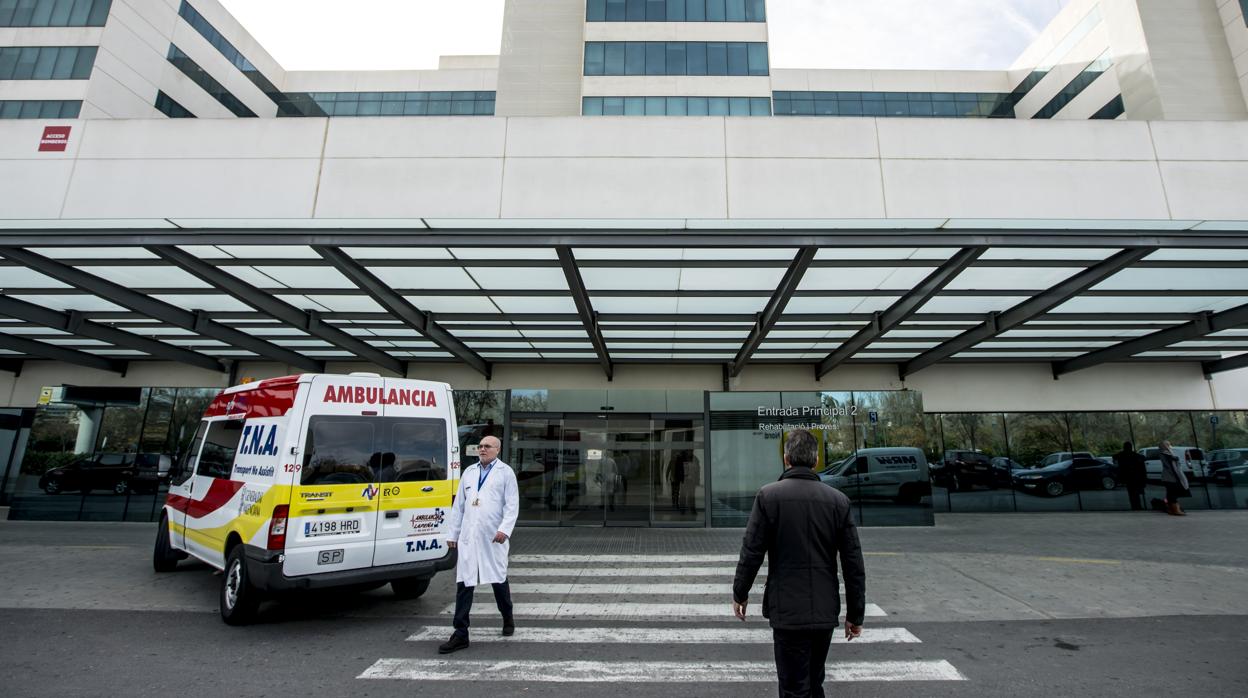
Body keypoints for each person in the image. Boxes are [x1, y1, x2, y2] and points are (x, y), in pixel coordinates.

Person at [732, 429, 866, 698]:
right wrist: (855, 614)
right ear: (816, 461)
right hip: (824, 610)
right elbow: (853, 563)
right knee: (815, 683)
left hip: (787, 612)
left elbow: (752, 551)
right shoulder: (838, 502)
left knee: (793, 688)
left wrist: (740, 593)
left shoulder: (769, 497)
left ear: (786, 459)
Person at [439, 436, 519, 653]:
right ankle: (460, 633)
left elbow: (512, 505)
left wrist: (504, 529)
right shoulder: (469, 472)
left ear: (497, 450)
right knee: (464, 583)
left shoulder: (506, 473)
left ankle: (507, 616)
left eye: (487, 446)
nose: (482, 449)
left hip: (493, 537)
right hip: (469, 536)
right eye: (480, 446)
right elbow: (459, 506)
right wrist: (453, 534)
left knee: (498, 581)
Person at [1113, 441, 1147, 511]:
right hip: (1135, 476)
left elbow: (1115, 456)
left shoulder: (1122, 455)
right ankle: (1137, 506)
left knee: (1132, 493)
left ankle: (1135, 506)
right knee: (1135, 493)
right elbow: (1142, 458)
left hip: (1129, 477)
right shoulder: (1132, 455)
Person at [1159, 440, 1189, 517]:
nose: (1169, 446)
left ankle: (1171, 509)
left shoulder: (1167, 453)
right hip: (1170, 477)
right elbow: (1171, 465)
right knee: (1172, 493)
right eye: (1167, 444)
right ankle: (1175, 509)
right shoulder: (1165, 454)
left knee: (1170, 493)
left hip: (1169, 477)